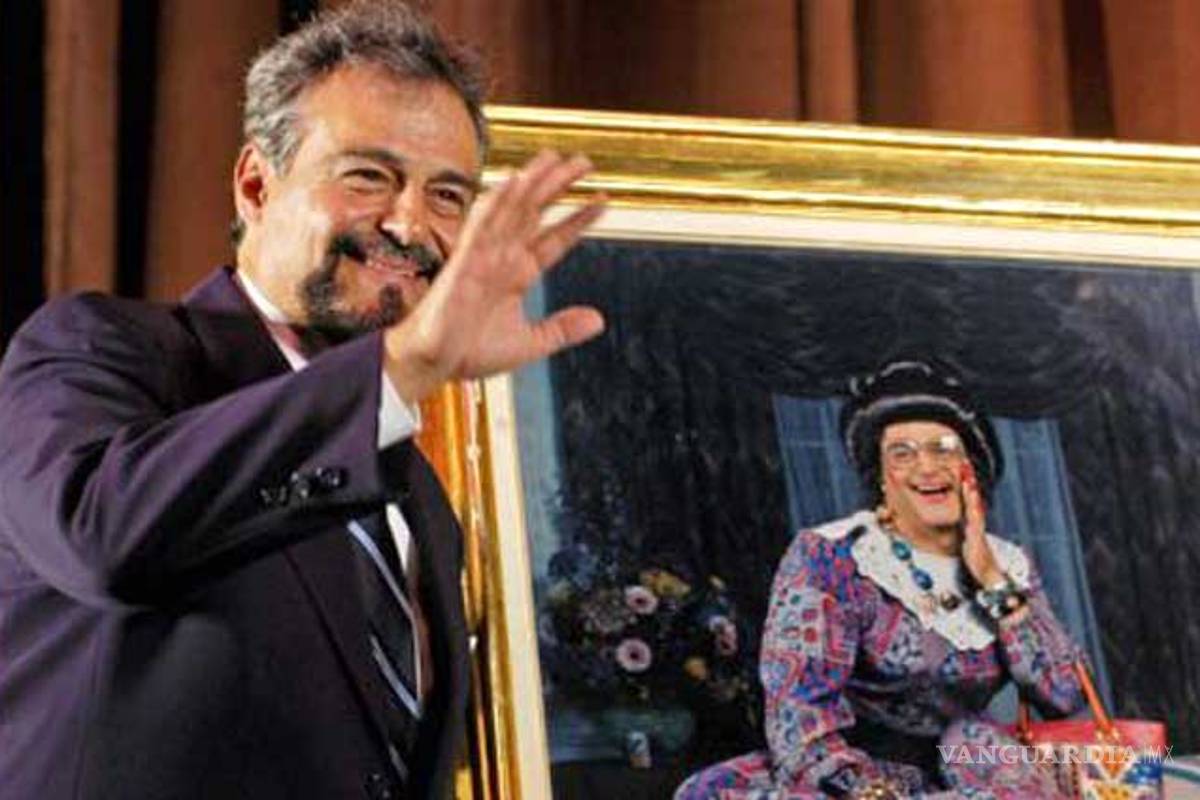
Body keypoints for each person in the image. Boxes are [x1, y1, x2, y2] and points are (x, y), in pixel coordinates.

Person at [0, 3, 605, 799]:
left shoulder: (420, 498)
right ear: (256, 184)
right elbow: (100, 534)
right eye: (369, 177)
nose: (409, 225)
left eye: (447, 196)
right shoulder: (101, 348)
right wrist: (402, 366)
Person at [675, 361, 1088, 799]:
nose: (927, 467)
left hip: (971, 764)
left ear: (972, 466)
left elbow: (1066, 695)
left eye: (944, 449)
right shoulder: (831, 555)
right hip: (849, 773)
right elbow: (799, 716)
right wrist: (866, 790)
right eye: (903, 454)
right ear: (882, 479)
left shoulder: (1006, 564)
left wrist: (990, 578)